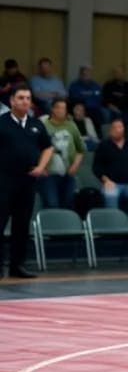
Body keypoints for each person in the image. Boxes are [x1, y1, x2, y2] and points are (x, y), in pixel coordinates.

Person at [0, 85, 53, 278]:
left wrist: (41, 166)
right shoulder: (2, 122)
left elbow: (48, 147)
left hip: (27, 181)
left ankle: (17, 266)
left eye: (28, 98)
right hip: (4, 181)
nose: (25, 101)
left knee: (22, 225)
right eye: (20, 97)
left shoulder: (36, 124)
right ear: (12, 101)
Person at [39, 99, 86, 210]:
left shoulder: (71, 126)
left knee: (69, 204)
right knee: (52, 204)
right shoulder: (42, 126)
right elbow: (34, 148)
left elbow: (81, 150)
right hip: (48, 174)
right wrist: (41, 168)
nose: (61, 111)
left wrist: (75, 166)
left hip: (68, 173)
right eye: (58, 107)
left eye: (64, 108)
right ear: (52, 109)